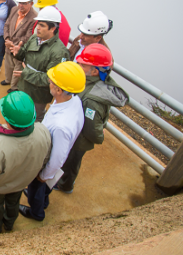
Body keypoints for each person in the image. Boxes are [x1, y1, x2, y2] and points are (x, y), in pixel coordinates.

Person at [0, 91, 51, 234]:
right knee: (13, 202)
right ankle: (9, 223)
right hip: (20, 183)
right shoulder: (43, 131)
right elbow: (45, 158)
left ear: (6, 119)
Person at [55, 44, 128, 193]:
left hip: (79, 138)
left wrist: (98, 137)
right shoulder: (90, 82)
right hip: (75, 132)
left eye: (83, 65)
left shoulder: (92, 100)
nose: (78, 65)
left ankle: (65, 185)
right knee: (68, 160)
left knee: (71, 162)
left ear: (95, 71)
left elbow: (91, 128)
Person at [19, 62, 85, 222]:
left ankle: (36, 213)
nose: (49, 81)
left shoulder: (61, 126)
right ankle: (44, 200)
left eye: (51, 82)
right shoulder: (72, 100)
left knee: (37, 188)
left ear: (59, 90)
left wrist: (43, 176)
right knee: (43, 189)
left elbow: (57, 158)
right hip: (49, 155)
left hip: (45, 162)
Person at [9, 6, 70, 122]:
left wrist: (26, 72)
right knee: (22, 115)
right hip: (24, 87)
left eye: (42, 25)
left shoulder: (59, 52)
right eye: (38, 24)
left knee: (35, 120)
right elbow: (25, 55)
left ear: (53, 28)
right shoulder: (35, 38)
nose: (38, 28)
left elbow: (50, 79)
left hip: (38, 96)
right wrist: (18, 52)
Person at [2, 0, 37, 92]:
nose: (20, 5)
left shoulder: (34, 18)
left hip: (19, 49)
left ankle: (14, 87)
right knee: (8, 65)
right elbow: (7, 24)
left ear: (31, 3)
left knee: (17, 69)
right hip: (9, 46)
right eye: (19, 2)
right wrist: (7, 38)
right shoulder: (14, 10)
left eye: (24, 3)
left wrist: (12, 44)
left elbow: (28, 37)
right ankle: (8, 80)